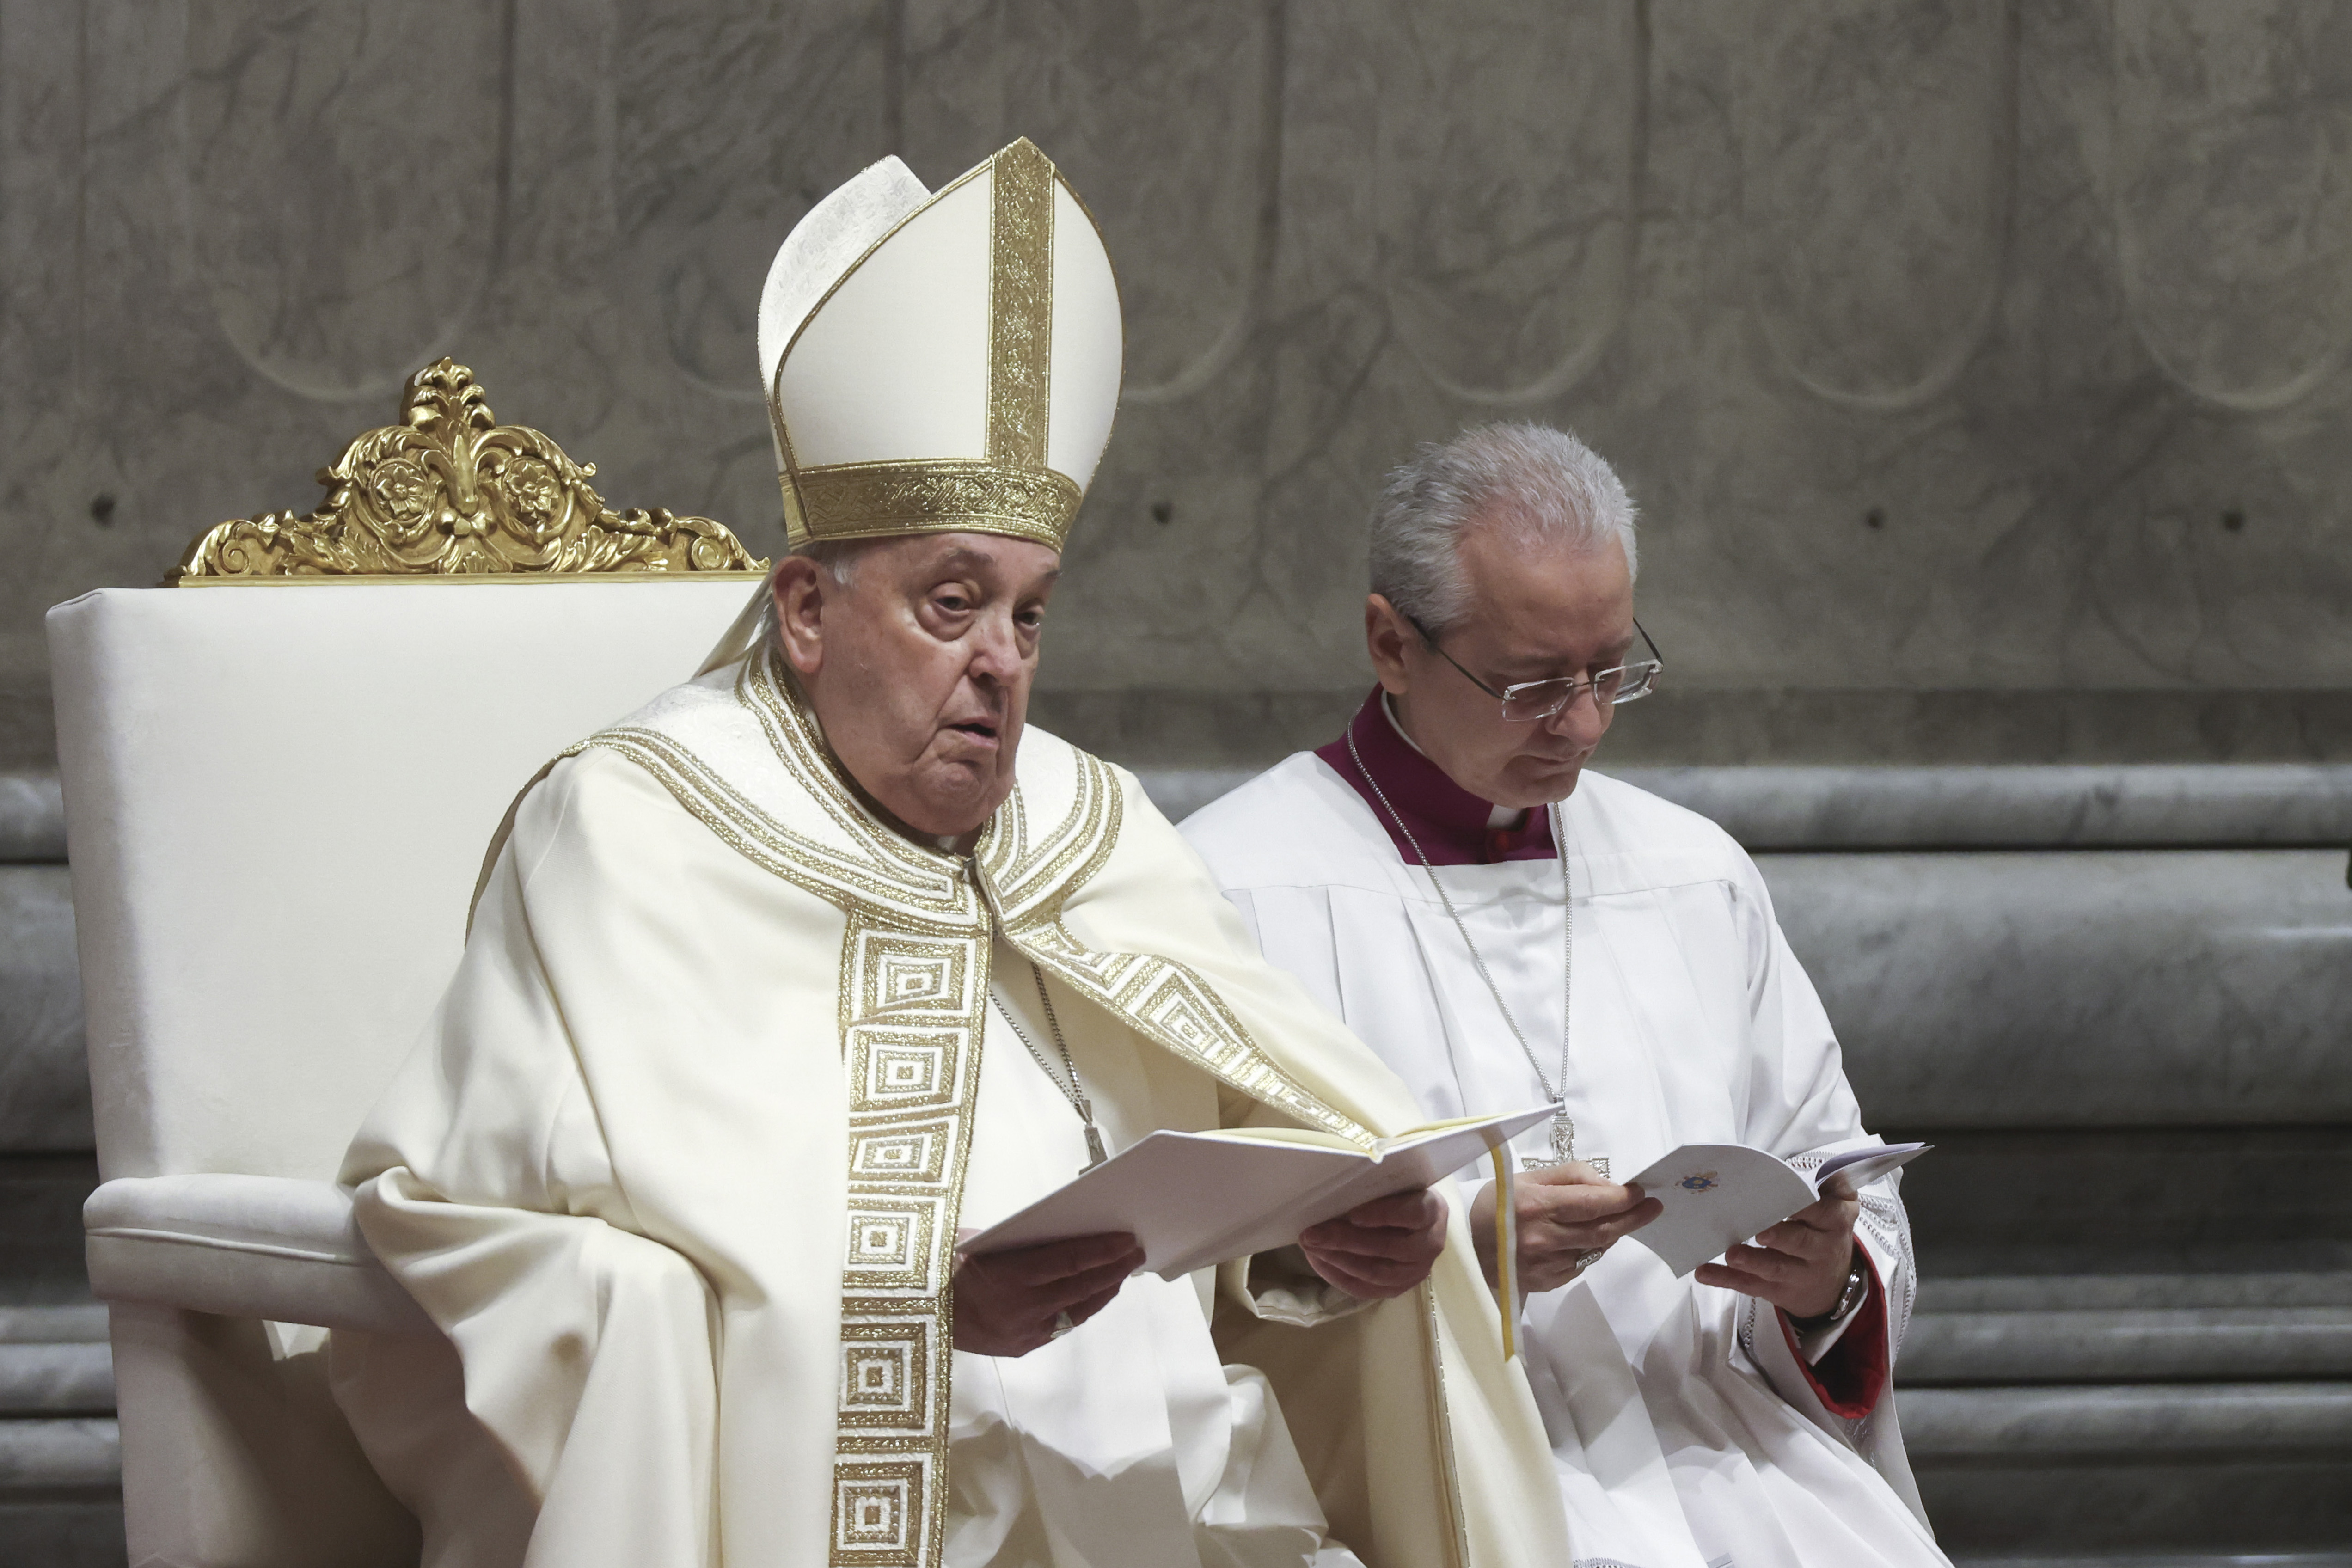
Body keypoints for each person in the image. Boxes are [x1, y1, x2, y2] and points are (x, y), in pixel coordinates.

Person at [328, 145, 1570, 1568]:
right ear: (805, 609)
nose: (1000, 667)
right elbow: (511, 1245)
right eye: (951, 604)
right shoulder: (635, 828)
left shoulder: (1085, 820)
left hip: (1171, 1503)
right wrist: (917, 1319)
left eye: (1030, 617)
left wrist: (1308, 1257)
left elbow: (1221, 1218)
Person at [1180, 423, 1952, 1568]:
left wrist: (1824, 1280)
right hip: (1421, 1494)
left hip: (1724, 1472)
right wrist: (1457, 1251)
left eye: (1611, 672)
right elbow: (1186, 1271)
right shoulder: (1228, 889)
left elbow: (1842, 1177)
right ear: (1391, 642)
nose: (1584, 725)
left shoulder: (1694, 874)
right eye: (1534, 684)